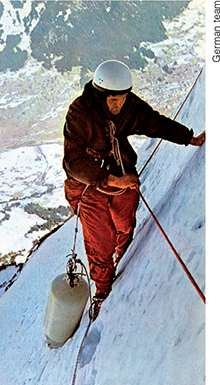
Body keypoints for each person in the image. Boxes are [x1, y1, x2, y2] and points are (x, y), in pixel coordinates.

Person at [63, 60, 205, 321]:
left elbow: (153, 123)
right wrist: (112, 180)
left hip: (121, 175)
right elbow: (73, 162)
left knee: (124, 225)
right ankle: (103, 291)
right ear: (101, 95)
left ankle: (122, 256)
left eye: (124, 98)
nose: (120, 105)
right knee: (100, 242)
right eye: (114, 100)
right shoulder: (80, 113)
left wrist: (188, 138)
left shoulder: (128, 106)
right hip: (89, 186)